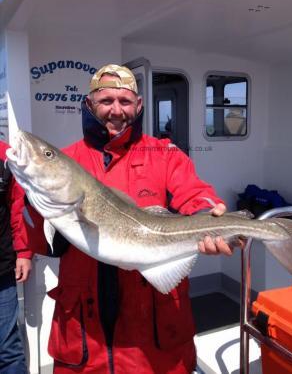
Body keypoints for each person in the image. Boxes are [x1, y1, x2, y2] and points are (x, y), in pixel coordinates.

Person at [25, 64, 237, 374]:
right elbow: (43, 244)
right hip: (85, 333)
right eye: (106, 100)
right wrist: (35, 202)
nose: (116, 110)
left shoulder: (164, 153)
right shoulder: (68, 160)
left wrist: (209, 211)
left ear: (138, 106)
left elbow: (194, 193)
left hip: (151, 335)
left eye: (124, 102)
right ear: (89, 104)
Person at [0, 140, 32, 374]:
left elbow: (17, 205)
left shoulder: (5, 153)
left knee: (8, 349)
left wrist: (23, 251)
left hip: (1, 270)